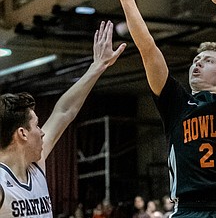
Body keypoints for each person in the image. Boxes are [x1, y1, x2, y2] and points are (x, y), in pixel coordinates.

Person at [89, 0, 216, 217]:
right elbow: (148, 49)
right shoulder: (176, 103)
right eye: (196, 60)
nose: (198, 62)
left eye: (208, 60)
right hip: (188, 210)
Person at [0, 21, 126, 217]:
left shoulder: (36, 165)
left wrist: (97, 67)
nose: (42, 132)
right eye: (36, 125)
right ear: (22, 133)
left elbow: (64, 111)